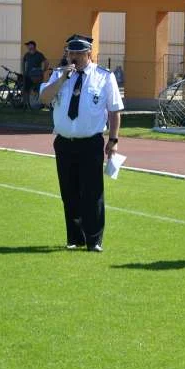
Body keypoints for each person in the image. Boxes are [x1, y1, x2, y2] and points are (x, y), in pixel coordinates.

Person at [39, 35, 124, 253]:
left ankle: (94, 239)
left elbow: (114, 111)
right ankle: (75, 237)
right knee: (69, 191)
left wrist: (113, 141)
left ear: (89, 54)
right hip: (65, 142)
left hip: (91, 143)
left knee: (92, 192)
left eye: (78, 53)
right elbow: (44, 99)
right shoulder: (59, 75)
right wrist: (61, 79)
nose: (74, 57)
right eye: (71, 53)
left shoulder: (103, 77)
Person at [21, 40, 49, 108]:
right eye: (27, 45)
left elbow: (46, 62)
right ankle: (25, 104)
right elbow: (23, 62)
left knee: (39, 90)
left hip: (37, 77)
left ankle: (41, 104)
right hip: (28, 76)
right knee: (26, 90)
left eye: (29, 45)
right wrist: (23, 71)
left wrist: (43, 70)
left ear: (33, 46)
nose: (28, 46)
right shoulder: (26, 54)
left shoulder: (39, 54)